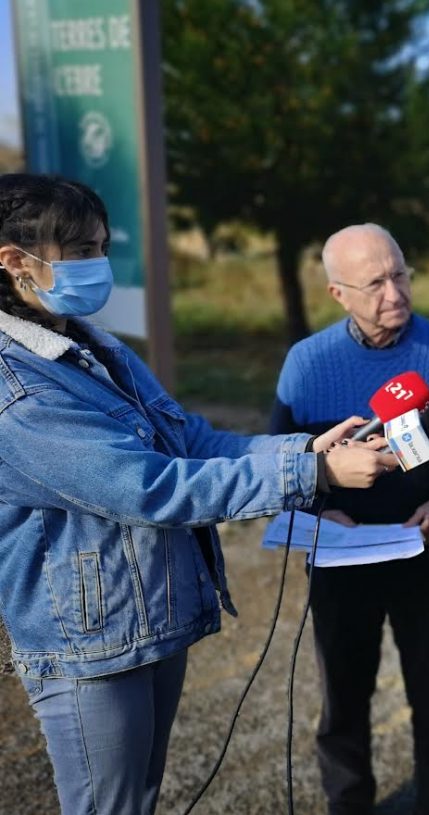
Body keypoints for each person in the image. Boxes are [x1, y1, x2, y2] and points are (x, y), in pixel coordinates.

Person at [0, 174, 389, 815]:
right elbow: (149, 487)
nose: (99, 266)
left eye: (102, 247)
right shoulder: (18, 393)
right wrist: (314, 477)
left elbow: (192, 441)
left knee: (140, 800)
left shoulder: (96, 347)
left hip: (148, 622)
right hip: (90, 647)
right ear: (15, 262)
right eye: (81, 253)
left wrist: (307, 450)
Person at [270, 223, 429, 815]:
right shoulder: (306, 364)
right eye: (375, 283)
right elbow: (281, 456)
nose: (395, 292)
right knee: (343, 703)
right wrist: (320, 505)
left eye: (400, 274)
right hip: (343, 560)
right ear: (338, 293)